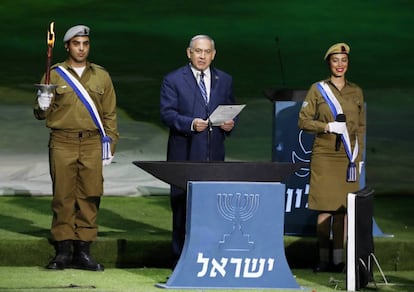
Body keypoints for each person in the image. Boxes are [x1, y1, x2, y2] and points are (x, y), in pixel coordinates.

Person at [34, 25, 119, 271]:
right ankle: (63, 250)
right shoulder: (55, 75)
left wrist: (110, 144)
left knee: (90, 195)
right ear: (67, 46)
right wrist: (42, 104)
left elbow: (110, 114)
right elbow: (40, 114)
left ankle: (83, 251)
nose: (81, 48)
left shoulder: (101, 76)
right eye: (76, 43)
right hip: (63, 141)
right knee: (63, 196)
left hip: (93, 142)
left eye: (85, 43)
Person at [160, 34, 236, 267]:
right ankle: (180, 260)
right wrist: (190, 124)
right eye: (198, 51)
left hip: (213, 154)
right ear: (189, 53)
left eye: (207, 52)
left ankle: (210, 257)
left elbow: (230, 107)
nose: (202, 56)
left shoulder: (224, 79)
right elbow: (167, 113)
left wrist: (230, 124)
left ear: (213, 54)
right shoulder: (173, 79)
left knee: (213, 206)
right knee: (183, 206)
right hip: (184, 153)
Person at [298, 43, 365, 272]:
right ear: (329, 63)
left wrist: (359, 157)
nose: (340, 65)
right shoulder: (318, 89)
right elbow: (303, 121)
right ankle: (323, 259)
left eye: (344, 61)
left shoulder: (356, 91)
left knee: (342, 210)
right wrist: (326, 126)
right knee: (325, 209)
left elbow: (361, 127)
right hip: (325, 155)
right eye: (335, 60)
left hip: (348, 158)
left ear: (348, 64)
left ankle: (338, 260)